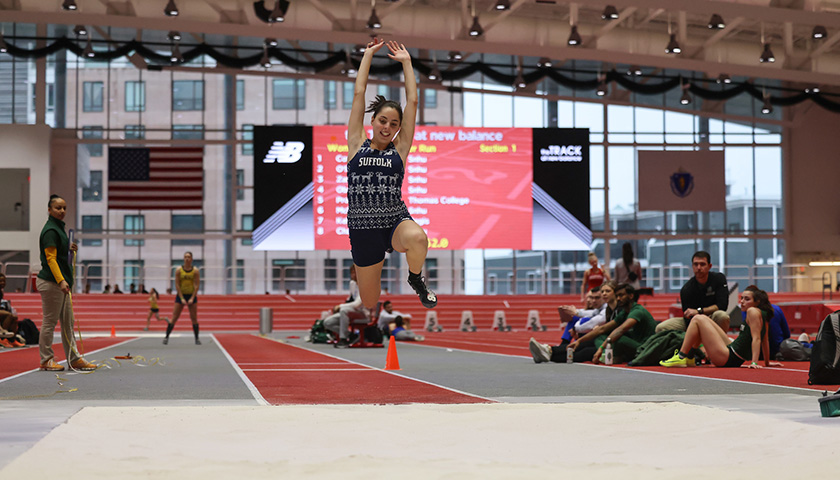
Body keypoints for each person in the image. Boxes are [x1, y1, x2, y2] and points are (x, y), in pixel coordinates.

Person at [346, 38, 437, 312]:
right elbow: (359, 93)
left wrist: (407, 63)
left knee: (419, 238)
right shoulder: (356, 143)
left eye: (394, 124)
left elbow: (413, 100)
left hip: (394, 221)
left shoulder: (400, 149)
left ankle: (415, 278)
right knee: (371, 302)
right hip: (363, 230)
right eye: (383, 121)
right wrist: (367, 56)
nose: (387, 127)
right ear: (372, 121)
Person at [35, 194, 96, 371]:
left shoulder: (59, 229)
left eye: (64, 208)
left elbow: (60, 255)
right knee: (49, 322)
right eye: (57, 208)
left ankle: (74, 358)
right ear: (49, 209)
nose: (62, 211)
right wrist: (61, 280)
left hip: (61, 284)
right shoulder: (51, 231)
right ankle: (46, 360)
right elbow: (50, 258)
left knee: (68, 322)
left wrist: (69, 249)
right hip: (52, 283)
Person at [661, 285, 782, 369]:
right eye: (742, 298)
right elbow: (765, 339)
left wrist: (754, 362)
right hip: (732, 353)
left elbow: (757, 339)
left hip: (727, 358)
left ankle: (682, 356)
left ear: (757, 302)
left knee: (698, 318)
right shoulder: (763, 315)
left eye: (747, 299)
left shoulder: (752, 312)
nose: (742, 302)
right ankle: (690, 357)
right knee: (704, 320)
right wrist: (767, 362)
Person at [530, 281, 619, 363]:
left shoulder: (617, 310)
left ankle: (549, 352)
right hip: (604, 339)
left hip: (613, 341)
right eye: (603, 291)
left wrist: (576, 329)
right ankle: (548, 353)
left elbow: (598, 324)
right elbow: (590, 313)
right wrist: (576, 312)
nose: (604, 294)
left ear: (615, 293)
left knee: (585, 350)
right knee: (582, 346)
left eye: (607, 291)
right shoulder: (608, 309)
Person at [655, 251, 730, 333]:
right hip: (694, 320)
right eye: (695, 264)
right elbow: (688, 317)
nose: (698, 267)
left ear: (709, 266)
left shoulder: (719, 279)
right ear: (692, 266)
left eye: (702, 264)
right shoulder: (687, 289)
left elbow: (722, 305)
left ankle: (722, 343)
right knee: (660, 328)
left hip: (712, 316)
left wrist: (699, 311)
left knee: (722, 316)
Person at [323, 265, 368, 348]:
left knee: (343, 310)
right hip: (351, 312)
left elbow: (357, 304)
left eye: (355, 272)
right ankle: (351, 335)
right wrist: (341, 307)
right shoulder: (352, 283)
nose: (353, 275)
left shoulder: (365, 285)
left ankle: (343, 339)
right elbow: (350, 299)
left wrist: (340, 306)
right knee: (327, 322)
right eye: (352, 273)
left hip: (363, 313)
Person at [163, 252, 201, 345]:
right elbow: (177, 284)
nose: (187, 259)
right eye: (185, 257)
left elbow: (196, 284)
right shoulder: (179, 270)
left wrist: (192, 298)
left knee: (194, 318)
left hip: (191, 295)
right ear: (183, 259)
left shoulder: (195, 270)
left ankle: (197, 338)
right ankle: (166, 337)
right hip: (181, 296)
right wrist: (181, 297)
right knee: (174, 317)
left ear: (192, 259)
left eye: (189, 257)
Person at [0, 273, 25, 348]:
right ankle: (2, 338)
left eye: (4, 281)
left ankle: (12, 340)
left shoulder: (1, 292)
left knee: (14, 317)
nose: (3, 283)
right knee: (9, 315)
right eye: (0, 281)